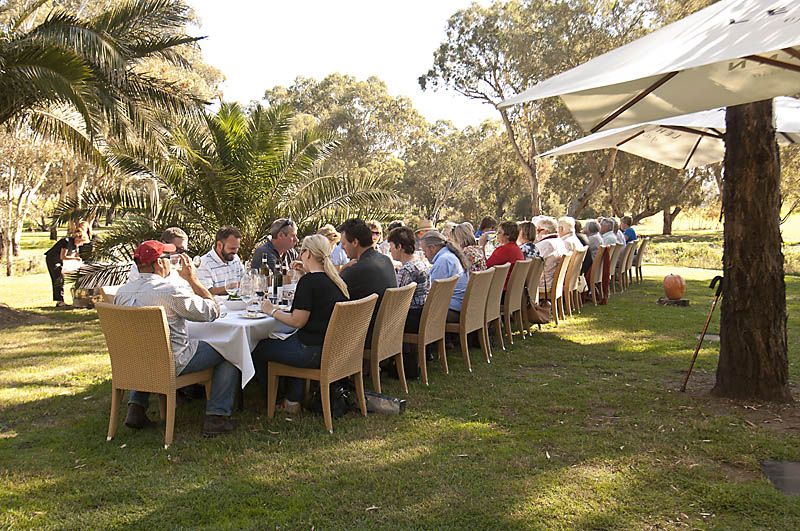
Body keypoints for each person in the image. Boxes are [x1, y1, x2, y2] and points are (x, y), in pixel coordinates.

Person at [115, 240, 237, 436]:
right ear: (158, 263)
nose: (171, 263)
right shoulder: (168, 290)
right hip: (173, 361)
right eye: (167, 259)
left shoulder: (122, 293)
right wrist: (193, 280)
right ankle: (217, 417)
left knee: (147, 346)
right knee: (230, 352)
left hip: (135, 361)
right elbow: (211, 312)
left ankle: (136, 407)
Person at [251, 235, 349, 413]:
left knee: (258, 348)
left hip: (312, 351)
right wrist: (305, 274)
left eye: (302, 251)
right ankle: (292, 400)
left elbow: (297, 321)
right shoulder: (335, 280)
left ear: (308, 254)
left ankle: (279, 400)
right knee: (289, 342)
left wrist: (270, 309)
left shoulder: (309, 283)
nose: (300, 255)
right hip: (332, 348)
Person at [339, 218, 397, 339]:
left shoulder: (356, 271)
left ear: (355, 242)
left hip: (363, 336)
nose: (342, 248)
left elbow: (332, 296)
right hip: (387, 330)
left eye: (344, 244)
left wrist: (341, 271)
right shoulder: (385, 260)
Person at [388, 226, 430, 333]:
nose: (389, 250)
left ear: (399, 247)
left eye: (391, 246)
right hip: (423, 314)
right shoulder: (420, 264)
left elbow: (397, 302)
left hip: (411, 318)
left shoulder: (407, 270)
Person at [420, 230, 469, 322]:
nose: (424, 255)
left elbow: (432, 295)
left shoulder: (443, 261)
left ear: (432, 248)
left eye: (424, 251)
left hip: (452, 310)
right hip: (460, 307)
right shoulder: (450, 255)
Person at [44, 228, 88, 307]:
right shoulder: (66, 242)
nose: (81, 245)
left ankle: (60, 300)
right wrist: (75, 259)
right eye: (82, 242)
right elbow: (63, 256)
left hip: (60, 261)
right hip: (53, 259)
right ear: (78, 239)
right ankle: (60, 301)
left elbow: (75, 255)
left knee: (61, 279)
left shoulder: (75, 246)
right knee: (58, 279)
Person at [197, 226, 245, 295]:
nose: (235, 252)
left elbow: (244, 281)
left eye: (237, 248)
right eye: (232, 248)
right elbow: (206, 291)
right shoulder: (204, 263)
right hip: (216, 305)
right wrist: (231, 287)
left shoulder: (235, 258)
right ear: (219, 245)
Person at [482, 220, 524, 290]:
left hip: (500, 291)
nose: (497, 235)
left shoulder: (504, 250)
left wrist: (482, 246)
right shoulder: (516, 249)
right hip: (512, 289)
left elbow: (485, 267)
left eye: (499, 232)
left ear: (507, 235)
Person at [533, 217, 569, 289]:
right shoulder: (560, 241)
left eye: (538, 230)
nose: (536, 233)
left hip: (543, 283)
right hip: (556, 282)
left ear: (545, 231)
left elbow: (531, 264)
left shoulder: (546, 244)